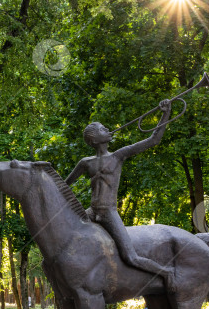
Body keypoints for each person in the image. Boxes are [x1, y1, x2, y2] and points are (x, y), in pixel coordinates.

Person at [66, 99, 176, 290]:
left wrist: (165, 113)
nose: (107, 129)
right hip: (91, 212)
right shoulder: (86, 162)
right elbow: (64, 185)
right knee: (69, 236)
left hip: (108, 212)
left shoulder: (118, 156)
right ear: (93, 140)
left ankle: (166, 272)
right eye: (102, 129)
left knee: (130, 256)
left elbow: (153, 140)